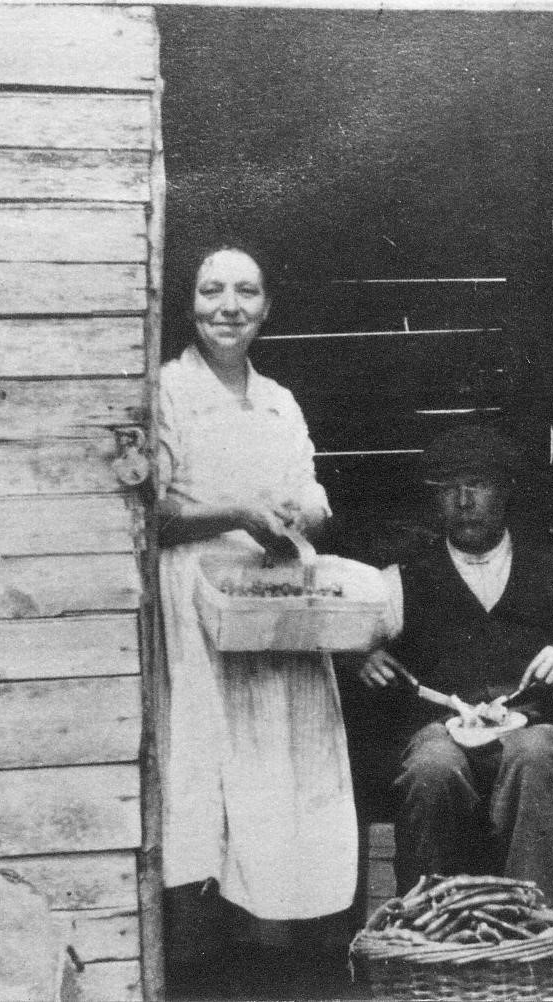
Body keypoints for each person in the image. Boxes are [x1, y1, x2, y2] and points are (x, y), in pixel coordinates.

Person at [156, 244, 356, 997]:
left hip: (275, 594)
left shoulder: (279, 399)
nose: (228, 307)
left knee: (281, 758)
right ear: (191, 303)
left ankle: (278, 952)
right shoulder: (168, 389)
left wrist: (301, 510)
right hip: (200, 598)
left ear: (268, 307)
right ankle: (201, 965)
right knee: (208, 763)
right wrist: (240, 511)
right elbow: (158, 508)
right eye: (212, 291)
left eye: (246, 292)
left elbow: (307, 488)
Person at [355, 424, 553, 913]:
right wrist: (365, 660)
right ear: (436, 501)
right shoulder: (398, 581)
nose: (463, 499)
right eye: (450, 487)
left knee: (535, 754)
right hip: (439, 731)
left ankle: (534, 933)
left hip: (533, 729)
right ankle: (432, 934)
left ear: (506, 492)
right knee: (433, 766)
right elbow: (355, 665)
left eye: (478, 483)